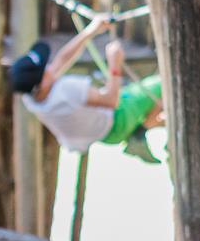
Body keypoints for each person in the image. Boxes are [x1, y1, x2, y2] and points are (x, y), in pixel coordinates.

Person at [9, 18, 165, 163]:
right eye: (44, 70)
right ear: (42, 83)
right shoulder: (66, 90)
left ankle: (141, 132)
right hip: (118, 120)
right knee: (162, 84)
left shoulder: (31, 97)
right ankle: (140, 133)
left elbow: (61, 60)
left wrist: (91, 30)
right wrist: (115, 65)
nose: (50, 67)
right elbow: (112, 101)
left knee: (147, 97)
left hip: (104, 134)